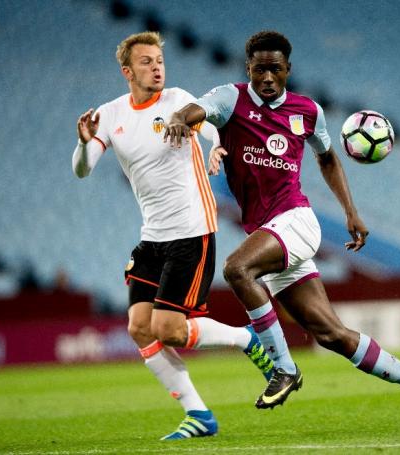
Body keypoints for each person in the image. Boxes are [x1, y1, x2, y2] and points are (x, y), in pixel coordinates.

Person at [164, 30, 400, 428]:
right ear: (248, 67)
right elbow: (196, 110)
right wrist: (180, 120)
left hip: (296, 221)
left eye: (275, 69)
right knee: (332, 335)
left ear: (288, 70)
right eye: (259, 69)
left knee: (237, 269)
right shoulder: (231, 99)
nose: (267, 77)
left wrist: (351, 213)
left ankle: (283, 368)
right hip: (270, 233)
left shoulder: (308, 111)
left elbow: (328, 159)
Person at [72, 31, 274, 440]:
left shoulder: (177, 100)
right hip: (152, 237)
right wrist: (81, 144)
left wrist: (216, 148)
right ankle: (199, 415)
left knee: (169, 330)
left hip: (191, 231)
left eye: (159, 59)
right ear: (128, 72)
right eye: (146, 62)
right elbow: (83, 169)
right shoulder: (111, 115)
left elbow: (211, 125)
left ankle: (244, 338)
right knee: (139, 327)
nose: (156, 66)